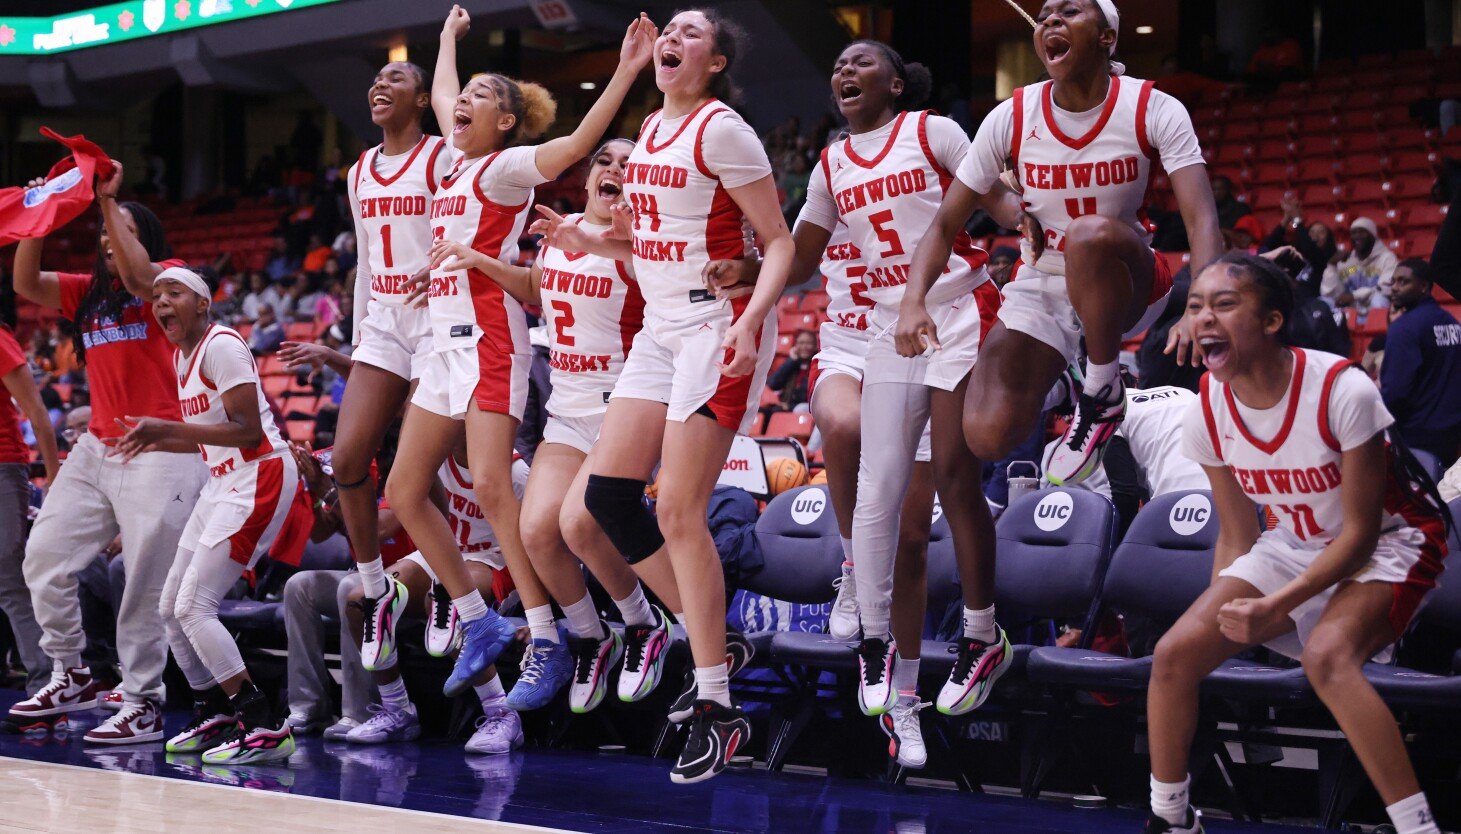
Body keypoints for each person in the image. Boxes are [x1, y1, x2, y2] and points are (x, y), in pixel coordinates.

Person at [533, 7, 793, 783]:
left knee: (678, 509)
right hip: (660, 330)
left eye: (689, 34)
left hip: (716, 325)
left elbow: (778, 241)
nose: (671, 40)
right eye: (668, 31)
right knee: (605, 500)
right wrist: (587, 239)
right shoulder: (650, 130)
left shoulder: (722, 131)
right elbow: (650, 242)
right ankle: (711, 635)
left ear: (715, 62)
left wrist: (750, 319)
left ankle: (717, 706)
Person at [382, 6, 656, 708]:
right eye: (464, 94)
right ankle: (477, 620)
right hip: (443, 342)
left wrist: (626, 70)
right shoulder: (455, 162)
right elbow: (443, 97)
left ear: (504, 121)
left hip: (489, 339)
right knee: (405, 491)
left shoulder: (504, 169)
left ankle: (544, 634)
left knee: (493, 486)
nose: (460, 102)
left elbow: (575, 144)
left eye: (480, 96)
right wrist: (445, 39)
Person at [739, 40, 987, 763]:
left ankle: (903, 699)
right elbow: (794, 254)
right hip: (855, 337)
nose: (844, 72)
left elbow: (984, 195)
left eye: (862, 64)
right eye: (838, 65)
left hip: (925, 327)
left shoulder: (927, 143)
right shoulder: (831, 168)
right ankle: (852, 566)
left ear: (897, 84)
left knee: (909, 539)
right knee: (839, 421)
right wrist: (745, 268)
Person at [1147, 252, 1449, 834]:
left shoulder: (1342, 389)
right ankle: (1171, 819)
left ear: (1272, 321)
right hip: (1295, 540)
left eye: (1224, 304)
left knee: (1326, 658)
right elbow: (1238, 533)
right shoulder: (1206, 408)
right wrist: (1224, 617)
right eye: (1196, 306)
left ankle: (1418, 828)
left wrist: (1275, 606)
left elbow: (1359, 536)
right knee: (1175, 654)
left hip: (1392, 539)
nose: (1204, 317)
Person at [910, 0, 1222, 492]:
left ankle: (1102, 392)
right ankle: (1065, 380)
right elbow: (944, 222)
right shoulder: (1012, 115)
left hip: (1126, 278)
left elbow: (1201, 217)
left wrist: (1202, 304)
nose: (1051, 20)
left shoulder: (1152, 106)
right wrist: (913, 301)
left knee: (1086, 234)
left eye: (1070, 11)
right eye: (1046, 15)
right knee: (988, 434)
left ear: (1106, 38)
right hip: (1043, 279)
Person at [427, 138, 678, 714]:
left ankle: (644, 623)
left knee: (579, 524)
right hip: (566, 409)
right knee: (537, 531)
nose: (614, 169)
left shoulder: (645, 244)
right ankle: (591, 638)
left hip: (623, 405)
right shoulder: (561, 231)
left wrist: (628, 239)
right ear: (589, 178)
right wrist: (480, 260)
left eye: (629, 164)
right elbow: (536, 290)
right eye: (605, 161)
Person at [6, 164, 208, 744]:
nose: (109, 243)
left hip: (164, 446)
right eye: (104, 236)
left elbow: (141, 276)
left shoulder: (170, 282)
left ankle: (143, 702)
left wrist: (106, 203)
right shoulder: (86, 293)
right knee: (42, 556)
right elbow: (25, 282)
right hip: (98, 446)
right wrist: (39, 214)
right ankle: (70, 671)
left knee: (142, 582)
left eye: (123, 232)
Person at [115, 266, 300, 764]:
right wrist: (154, 439)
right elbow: (206, 438)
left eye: (173, 292)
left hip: (258, 473)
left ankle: (263, 722)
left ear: (202, 303)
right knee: (170, 607)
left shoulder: (222, 345)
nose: (161, 302)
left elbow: (247, 431)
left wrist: (166, 428)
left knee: (195, 607)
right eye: (156, 295)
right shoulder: (182, 356)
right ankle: (214, 708)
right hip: (223, 480)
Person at [333, 56, 451, 677]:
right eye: (376, 78)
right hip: (382, 322)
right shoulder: (359, 171)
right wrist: (360, 340)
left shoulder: (440, 157)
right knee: (347, 459)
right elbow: (364, 264)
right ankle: (376, 585)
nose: (380, 84)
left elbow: (470, 226)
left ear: (424, 100)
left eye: (395, 79)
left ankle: (443, 577)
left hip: (436, 317)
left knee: (416, 465)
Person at [341, 439, 530, 755]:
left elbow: (535, 547)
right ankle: (397, 709)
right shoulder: (431, 451)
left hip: (495, 560)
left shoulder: (516, 471)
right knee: (361, 601)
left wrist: (539, 618)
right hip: (441, 551)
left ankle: (502, 713)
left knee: (447, 600)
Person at [0, 322, 60, 697]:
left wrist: (54, 478)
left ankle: (47, 683)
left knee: (10, 579)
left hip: (3, 467)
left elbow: (37, 412)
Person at [1379, 258, 1461, 465]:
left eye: (1403, 282)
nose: (1395, 288)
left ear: (1424, 286)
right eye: (1393, 281)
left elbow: (1395, 392)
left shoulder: (1404, 329)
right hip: (1452, 432)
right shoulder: (1453, 323)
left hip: (1416, 437)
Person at [1323, 217, 1397, 313]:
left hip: (1373, 305)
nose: (1357, 236)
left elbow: (1385, 288)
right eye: (1354, 233)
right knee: (1324, 302)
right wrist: (1331, 266)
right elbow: (1329, 292)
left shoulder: (1387, 258)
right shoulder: (1349, 263)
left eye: (1362, 232)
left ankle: (1378, 323)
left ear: (1373, 235)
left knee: (1379, 299)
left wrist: (1354, 295)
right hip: (1351, 307)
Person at [767, 330, 816, 411]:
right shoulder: (792, 363)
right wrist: (791, 360)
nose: (804, 347)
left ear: (815, 346)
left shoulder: (816, 365)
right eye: (801, 343)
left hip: (806, 406)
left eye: (809, 343)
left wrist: (789, 406)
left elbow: (808, 392)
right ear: (795, 346)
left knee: (800, 409)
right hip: (786, 405)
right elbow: (773, 384)